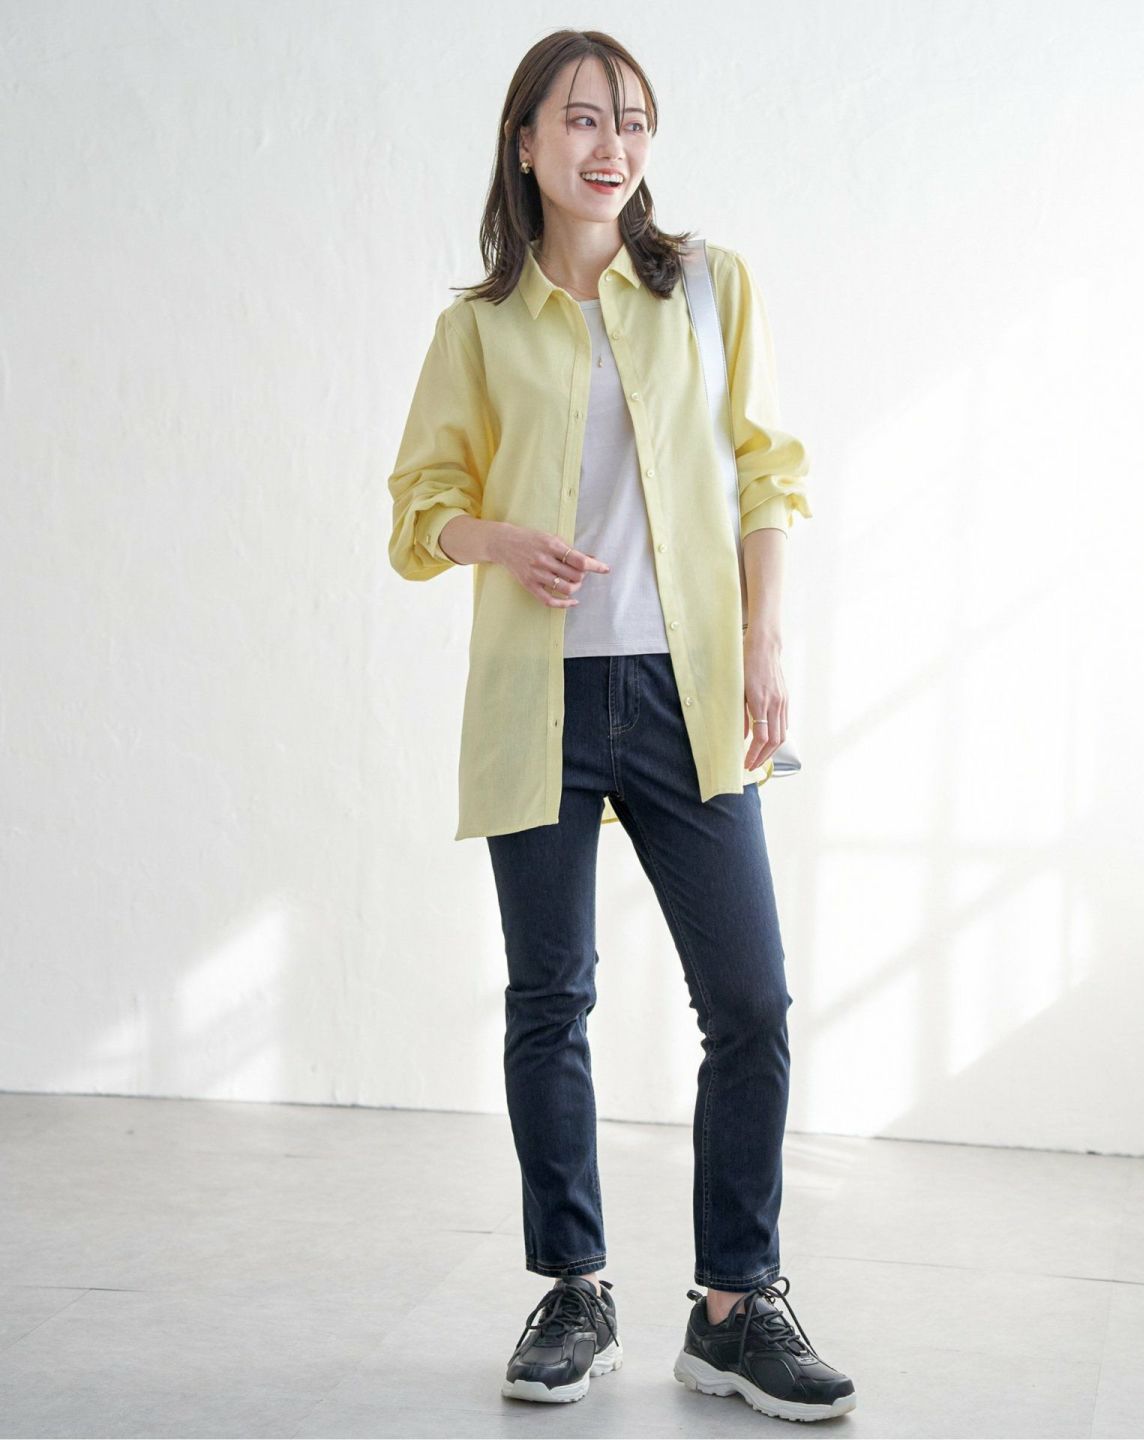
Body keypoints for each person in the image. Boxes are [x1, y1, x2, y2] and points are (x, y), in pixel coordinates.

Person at [386, 28, 856, 1425]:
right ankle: (574, 1290)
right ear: (526, 141)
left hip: (686, 689)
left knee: (751, 1002)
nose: (614, 147)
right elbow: (416, 511)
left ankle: (735, 1307)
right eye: (584, 119)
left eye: (634, 121)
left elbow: (768, 473)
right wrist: (495, 538)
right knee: (552, 1001)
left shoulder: (709, 287)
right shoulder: (477, 330)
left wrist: (766, 638)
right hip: (538, 696)